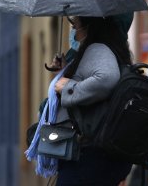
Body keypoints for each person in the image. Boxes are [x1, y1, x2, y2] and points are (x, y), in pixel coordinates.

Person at [25, 14, 133, 186]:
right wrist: (67, 70)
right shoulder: (107, 49)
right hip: (97, 155)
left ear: (90, 23)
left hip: (88, 156)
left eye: (76, 19)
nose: (73, 25)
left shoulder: (97, 48)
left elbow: (107, 78)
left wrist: (68, 87)